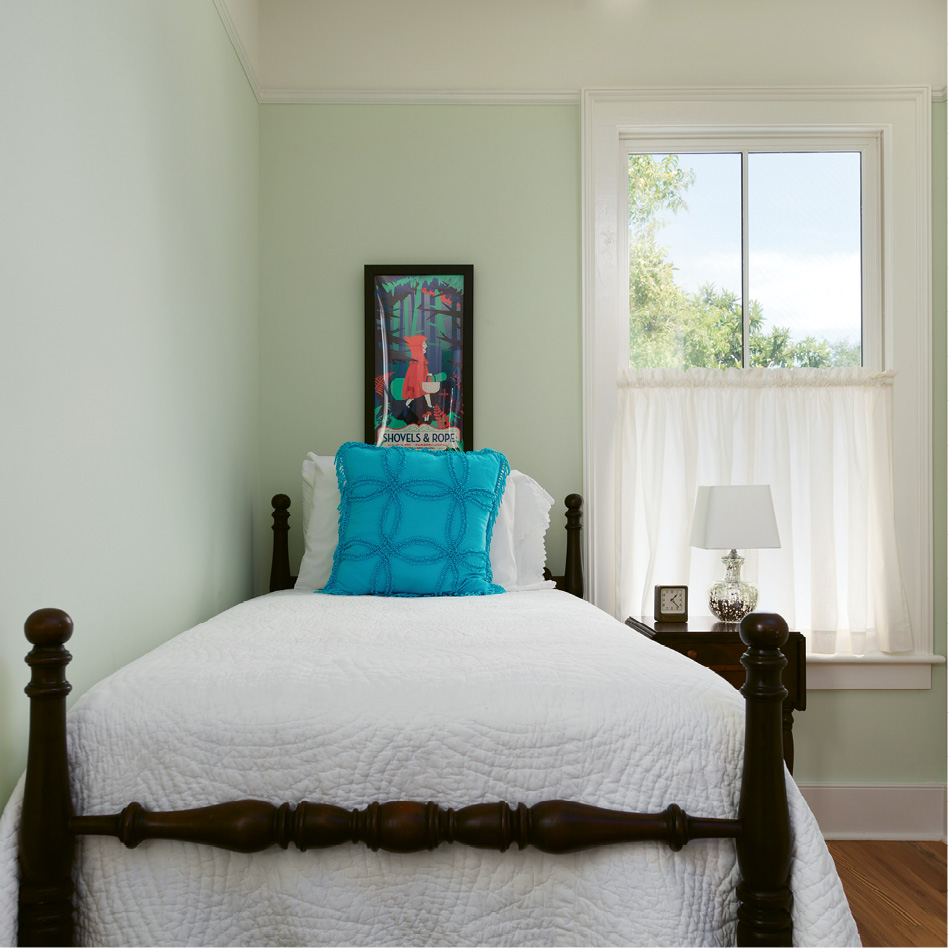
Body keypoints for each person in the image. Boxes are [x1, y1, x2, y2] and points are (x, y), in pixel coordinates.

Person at [402, 334, 433, 420]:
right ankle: (406, 405)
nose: (426, 346)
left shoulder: (421, 359)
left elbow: (424, 371)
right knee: (413, 395)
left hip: (423, 379)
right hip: (416, 382)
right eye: (423, 344)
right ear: (418, 347)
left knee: (426, 391)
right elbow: (413, 377)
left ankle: (429, 405)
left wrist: (427, 375)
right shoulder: (414, 363)